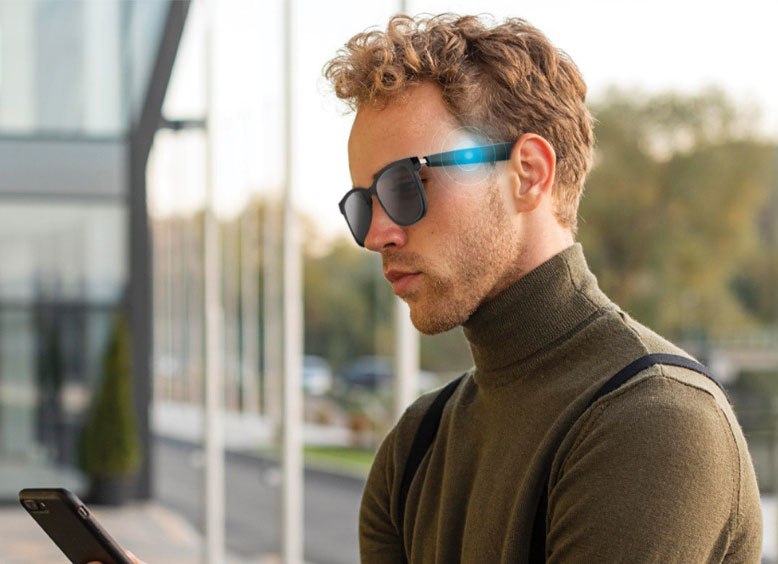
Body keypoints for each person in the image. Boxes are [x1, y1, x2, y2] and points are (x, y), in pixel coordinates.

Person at [323, 13, 762, 563]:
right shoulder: (415, 446)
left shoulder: (654, 419)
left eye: (405, 185)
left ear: (528, 173)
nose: (375, 235)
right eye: (364, 204)